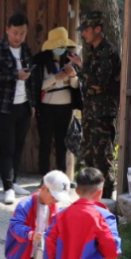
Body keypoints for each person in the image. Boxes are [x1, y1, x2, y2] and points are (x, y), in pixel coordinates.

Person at [0, 12, 34, 205]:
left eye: (22, 33)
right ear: (7, 30)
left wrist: (32, 104)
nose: (18, 37)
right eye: (15, 32)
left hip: (24, 104)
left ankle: (14, 181)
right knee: (7, 146)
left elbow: (32, 78)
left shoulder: (26, 50)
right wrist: (15, 75)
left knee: (19, 145)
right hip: (4, 106)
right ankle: (7, 188)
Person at [77, 12, 121, 199]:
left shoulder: (108, 52)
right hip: (90, 112)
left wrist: (81, 68)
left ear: (97, 29)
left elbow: (98, 82)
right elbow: (88, 83)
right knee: (88, 156)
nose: (83, 34)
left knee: (102, 158)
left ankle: (106, 200)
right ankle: (90, 197)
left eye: (86, 30)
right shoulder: (93, 52)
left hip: (103, 113)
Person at [32, 27, 83, 177]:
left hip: (66, 108)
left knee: (62, 143)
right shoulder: (41, 61)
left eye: (63, 46)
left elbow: (75, 87)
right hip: (47, 107)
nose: (61, 49)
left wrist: (73, 75)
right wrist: (56, 78)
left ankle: (62, 175)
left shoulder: (70, 61)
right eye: (59, 46)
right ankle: (44, 176)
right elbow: (38, 85)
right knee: (45, 143)